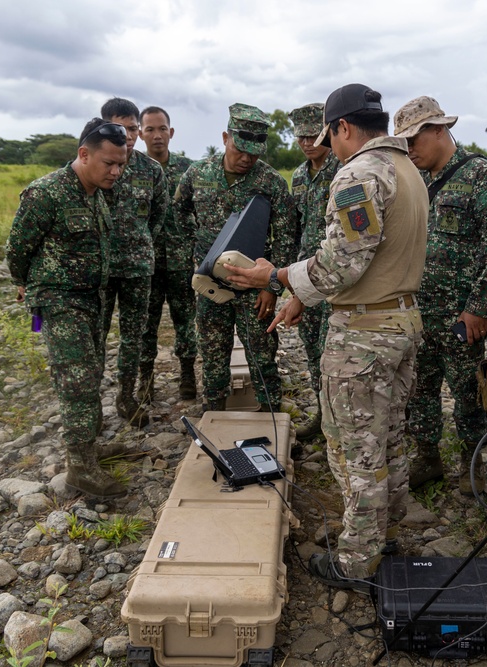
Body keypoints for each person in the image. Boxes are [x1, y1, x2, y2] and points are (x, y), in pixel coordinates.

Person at [223, 83, 428, 591]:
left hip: (363, 335)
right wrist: (303, 295)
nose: (327, 146)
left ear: (341, 128)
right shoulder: (409, 170)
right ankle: (385, 533)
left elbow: (341, 265)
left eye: (327, 135)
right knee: (390, 438)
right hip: (400, 321)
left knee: (354, 450)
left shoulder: (358, 174)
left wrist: (275, 277)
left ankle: (357, 562)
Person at [394, 96, 487, 496]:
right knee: (418, 389)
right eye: (404, 143)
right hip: (420, 309)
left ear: (440, 130)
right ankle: (427, 457)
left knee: (468, 394)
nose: (409, 150)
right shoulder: (417, 179)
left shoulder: (482, 176)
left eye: (414, 140)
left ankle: (472, 465)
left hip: (462, 315)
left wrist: (478, 308)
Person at [6, 118, 129, 499]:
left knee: (92, 373)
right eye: (109, 163)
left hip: (92, 299)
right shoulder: (46, 193)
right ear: (83, 154)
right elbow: (17, 249)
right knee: (77, 382)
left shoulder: (96, 192)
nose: (116, 171)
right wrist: (24, 283)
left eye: (121, 164)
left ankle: (88, 447)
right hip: (59, 301)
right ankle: (80, 468)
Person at [172, 103, 295, 412]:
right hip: (211, 281)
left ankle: (271, 415)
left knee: (261, 352)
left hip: (255, 285)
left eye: (254, 153)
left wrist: (271, 287)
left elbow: (285, 237)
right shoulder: (197, 174)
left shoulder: (271, 183)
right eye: (241, 150)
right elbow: (179, 210)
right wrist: (196, 249)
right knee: (213, 352)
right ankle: (213, 412)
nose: (246, 159)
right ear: (225, 137)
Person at [98, 98, 169, 427]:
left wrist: (140, 243)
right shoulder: (95, 165)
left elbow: (158, 215)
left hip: (138, 268)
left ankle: (126, 396)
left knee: (134, 336)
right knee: (95, 337)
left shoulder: (150, 170)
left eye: (131, 128)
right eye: (119, 128)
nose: (127, 135)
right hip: (97, 269)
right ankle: (88, 405)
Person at [288, 102, 341, 439]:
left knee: (335, 352)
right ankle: (323, 417)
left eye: (312, 136)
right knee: (311, 347)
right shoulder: (297, 176)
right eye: (300, 137)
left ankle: (338, 423)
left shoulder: (343, 168)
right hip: (306, 275)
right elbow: (295, 228)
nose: (307, 143)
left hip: (337, 274)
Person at [138, 106, 198, 402]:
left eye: (162, 129)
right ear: (140, 134)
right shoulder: (130, 169)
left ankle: (187, 373)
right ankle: (145, 378)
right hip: (144, 264)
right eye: (150, 129)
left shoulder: (189, 169)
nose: (157, 135)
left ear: (171, 133)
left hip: (181, 261)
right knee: (144, 324)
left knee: (186, 320)